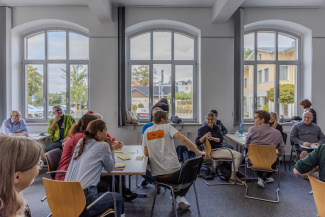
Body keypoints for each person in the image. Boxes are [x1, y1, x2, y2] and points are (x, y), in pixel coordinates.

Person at [143, 111, 205, 210]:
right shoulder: (167, 127)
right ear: (162, 120)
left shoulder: (146, 132)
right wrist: (199, 152)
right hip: (174, 174)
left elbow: (145, 153)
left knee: (184, 168)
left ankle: (177, 195)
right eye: (167, 119)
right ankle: (178, 195)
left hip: (157, 176)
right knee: (193, 172)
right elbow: (183, 139)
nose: (167, 121)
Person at [64, 120, 124, 217]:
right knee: (118, 198)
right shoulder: (103, 146)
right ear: (99, 133)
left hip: (66, 199)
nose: (107, 133)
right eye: (105, 130)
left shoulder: (81, 142)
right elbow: (110, 168)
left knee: (106, 191)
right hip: (85, 202)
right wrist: (111, 149)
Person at [196, 112, 244, 185]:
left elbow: (220, 140)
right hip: (213, 151)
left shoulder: (217, 127)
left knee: (237, 154)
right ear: (206, 119)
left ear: (214, 119)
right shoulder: (202, 129)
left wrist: (212, 138)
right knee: (238, 155)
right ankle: (233, 178)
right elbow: (197, 142)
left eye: (212, 119)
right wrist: (204, 136)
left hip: (219, 148)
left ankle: (232, 175)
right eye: (208, 119)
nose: (210, 121)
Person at [0, 136, 42, 217]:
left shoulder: (11, 198)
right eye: (38, 164)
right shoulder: (6, 211)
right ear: (17, 177)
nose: (40, 167)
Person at [245, 110, 286, 188]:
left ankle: (261, 178)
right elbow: (282, 151)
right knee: (276, 158)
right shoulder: (277, 132)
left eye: (255, 118)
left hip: (253, 161)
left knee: (256, 156)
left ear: (262, 120)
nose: (253, 120)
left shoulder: (252, 129)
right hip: (269, 162)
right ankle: (264, 178)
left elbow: (247, 145)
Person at [55, 113, 98, 181]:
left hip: (73, 173)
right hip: (67, 176)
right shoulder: (81, 137)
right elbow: (94, 153)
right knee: (103, 182)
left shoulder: (80, 134)